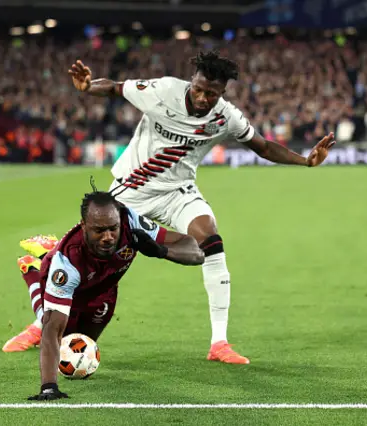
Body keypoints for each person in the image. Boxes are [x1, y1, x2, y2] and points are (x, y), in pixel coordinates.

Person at [66, 51, 336, 364]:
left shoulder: (225, 116)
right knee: (91, 253)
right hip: (133, 189)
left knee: (211, 239)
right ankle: (41, 323)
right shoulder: (162, 90)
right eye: (199, 88)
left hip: (178, 192)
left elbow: (262, 146)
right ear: (192, 81)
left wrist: (304, 160)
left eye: (212, 93)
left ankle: (219, 343)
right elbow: (114, 87)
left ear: (222, 93)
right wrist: (87, 88)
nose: (203, 97)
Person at [26, 185, 205, 401]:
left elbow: (196, 252)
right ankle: (31, 270)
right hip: (72, 283)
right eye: (99, 230)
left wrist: (161, 251)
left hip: (105, 288)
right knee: (56, 332)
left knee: (82, 342)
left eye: (113, 228)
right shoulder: (67, 263)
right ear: (84, 226)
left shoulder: (132, 223)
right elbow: (52, 328)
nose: (108, 237)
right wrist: (49, 387)